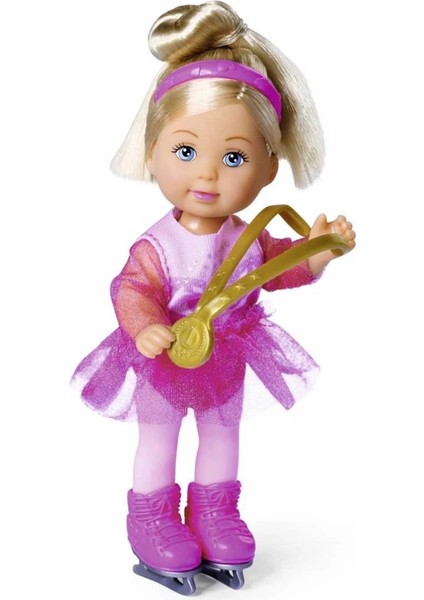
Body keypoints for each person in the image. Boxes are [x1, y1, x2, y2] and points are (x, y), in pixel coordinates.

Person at [72, 1, 355, 593]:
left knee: (223, 434)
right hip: (166, 357)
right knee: (159, 436)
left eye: (234, 157)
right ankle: (151, 520)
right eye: (185, 151)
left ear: (269, 168)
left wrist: (318, 253)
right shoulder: (159, 243)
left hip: (226, 354)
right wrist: (146, 325)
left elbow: (276, 268)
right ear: (152, 151)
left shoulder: (247, 236)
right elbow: (131, 287)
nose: (207, 175)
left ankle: (215, 512)